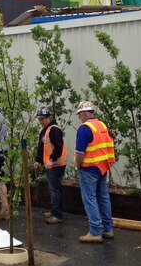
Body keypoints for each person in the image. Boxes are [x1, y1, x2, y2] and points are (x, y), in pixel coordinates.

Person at [74, 100, 116, 243]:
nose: (79, 117)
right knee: (103, 197)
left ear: (85, 113)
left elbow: (79, 152)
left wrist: (78, 166)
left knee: (89, 199)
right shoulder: (102, 125)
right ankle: (108, 228)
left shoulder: (85, 128)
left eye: (79, 114)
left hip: (89, 168)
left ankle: (95, 231)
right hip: (102, 167)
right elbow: (108, 145)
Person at [34, 106, 67, 224]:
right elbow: (42, 147)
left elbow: (58, 147)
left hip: (56, 165)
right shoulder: (46, 130)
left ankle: (57, 214)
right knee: (54, 189)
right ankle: (55, 211)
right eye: (39, 119)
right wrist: (38, 160)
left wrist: (52, 160)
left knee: (55, 189)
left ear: (48, 118)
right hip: (51, 165)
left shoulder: (54, 130)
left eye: (42, 119)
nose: (41, 121)